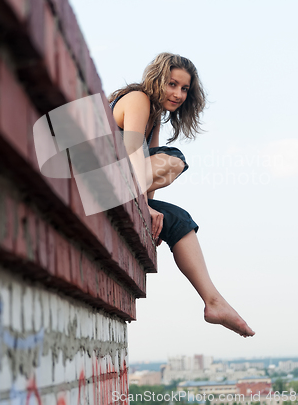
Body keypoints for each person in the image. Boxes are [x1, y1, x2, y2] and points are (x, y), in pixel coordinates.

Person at [108, 52, 255, 338]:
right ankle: (214, 302)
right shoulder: (139, 99)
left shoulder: (155, 117)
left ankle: (213, 302)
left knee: (179, 220)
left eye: (185, 88)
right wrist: (141, 208)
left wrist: (147, 212)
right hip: (93, 182)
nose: (178, 94)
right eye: (172, 84)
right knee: (173, 158)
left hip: (116, 187)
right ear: (157, 79)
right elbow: (133, 154)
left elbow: (145, 177)